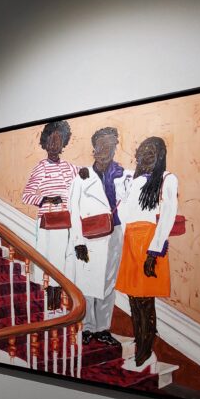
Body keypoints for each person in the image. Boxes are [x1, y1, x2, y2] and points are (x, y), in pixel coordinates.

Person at [65, 127, 133, 346]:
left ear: (115, 148)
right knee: (86, 281)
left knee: (108, 283)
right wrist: (78, 242)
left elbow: (131, 201)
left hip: (114, 233)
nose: (106, 149)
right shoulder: (82, 176)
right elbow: (73, 210)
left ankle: (103, 328)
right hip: (89, 237)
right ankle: (87, 327)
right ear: (94, 148)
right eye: (102, 145)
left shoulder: (123, 175)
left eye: (111, 145)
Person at [115, 136, 178, 372]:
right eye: (143, 151)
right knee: (133, 300)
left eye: (152, 152)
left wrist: (153, 252)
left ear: (160, 156)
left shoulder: (167, 179)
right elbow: (124, 213)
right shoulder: (134, 180)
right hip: (131, 242)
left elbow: (168, 217)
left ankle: (146, 354)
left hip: (149, 243)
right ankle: (140, 350)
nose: (146, 155)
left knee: (145, 302)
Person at [21, 120, 77, 310]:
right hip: (48, 226)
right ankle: (50, 306)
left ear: (64, 143)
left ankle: (58, 306)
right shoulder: (41, 167)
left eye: (58, 140)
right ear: (45, 143)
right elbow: (27, 195)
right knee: (50, 264)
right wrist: (46, 199)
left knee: (64, 264)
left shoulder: (71, 168)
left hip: (67, 224)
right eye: (51, 140)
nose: (54, 144)